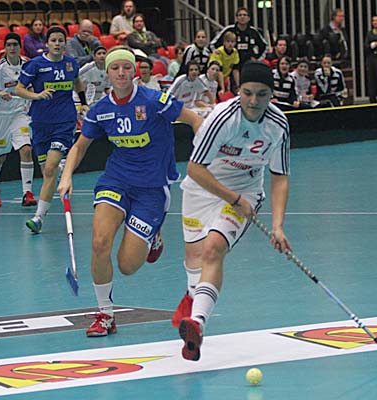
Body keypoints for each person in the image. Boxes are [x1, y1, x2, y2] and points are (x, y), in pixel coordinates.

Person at [57, 46, 203, 337]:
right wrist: (66, 175)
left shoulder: (154, 100)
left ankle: (152, 236)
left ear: (134, 71)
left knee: (127, 265)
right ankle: (105, 315)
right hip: (116, 180)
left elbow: (195, 121)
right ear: (107, 72)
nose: (121, 73)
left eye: (126, 67)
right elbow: (80, 146)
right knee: (100, 243)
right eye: (115, 68)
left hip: (152, 188)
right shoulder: (101, 110)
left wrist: (203, 160)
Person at [173, 61, 291, 361]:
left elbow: (279, 176)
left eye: (262, 94)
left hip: (245, 189)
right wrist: (232, 198)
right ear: (238, 90)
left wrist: (278, 226)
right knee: (194, 256)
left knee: (213, 249)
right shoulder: (221, 118)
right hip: (203, 186)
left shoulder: (278, 125)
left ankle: (197, 324)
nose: (253, 101)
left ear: (272, 95)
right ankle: (193, 298)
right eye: (247, 93)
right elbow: (194, 169)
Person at [14, 27, 89, 232]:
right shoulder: (35, 65)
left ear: (65, 43)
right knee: (47, 172)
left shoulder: (71, 63)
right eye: (53, 40)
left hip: (64, 123)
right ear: (47, 43)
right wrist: (37, 96)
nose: (57, 44)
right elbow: (18, 89)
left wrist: (83, 103)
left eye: (60, 40)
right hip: (40, 124)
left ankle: (38, 218)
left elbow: (77, 82)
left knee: (49, 169)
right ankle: (63, 167)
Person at [0, 32, 37, 208]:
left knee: (26, 149)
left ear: (20, 47)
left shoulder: (27, 64)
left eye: (15, 45)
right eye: (9, 45)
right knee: (0, 156)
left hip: (19, 114)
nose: (12, 48)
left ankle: (27, 193)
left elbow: (32, 84)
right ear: (5, 48)